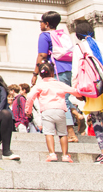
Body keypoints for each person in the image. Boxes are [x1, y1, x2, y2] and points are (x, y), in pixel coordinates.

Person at [72, 22, 103, 163]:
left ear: (77, 35)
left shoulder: (79, 48)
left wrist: (75, 90)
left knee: (96, 119)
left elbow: (75, 71)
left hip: (92, 87)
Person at [32, 11, 80, 142]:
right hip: (71, 69)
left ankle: (70, 133)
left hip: (57, 71)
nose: (40, 25)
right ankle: (76, 116)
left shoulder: (44, 36)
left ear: (47, 24)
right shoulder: (63, 35)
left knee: (61, 101)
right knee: (68, 99)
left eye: (41, 22)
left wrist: (35, 74)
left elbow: (42, 56)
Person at [26, 62, 80, 162]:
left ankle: (52, 154)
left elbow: (30, 97)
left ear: (41, 75)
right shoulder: (60, 84)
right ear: (52, 73)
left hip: (47, 111)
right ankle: (65, 155)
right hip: (60, 110)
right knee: (63, 133)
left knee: (49, 133)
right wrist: (81, 96)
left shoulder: (39, 86)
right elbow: (74, 91)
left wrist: (28, 110)